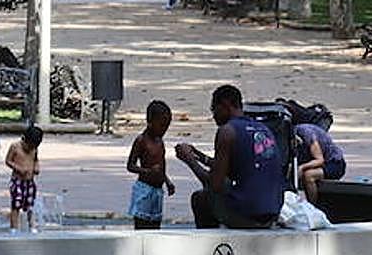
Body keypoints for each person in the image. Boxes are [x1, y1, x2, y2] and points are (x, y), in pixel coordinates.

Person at [175, 84, 284, 229]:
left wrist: (189, 160)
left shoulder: (227, 131)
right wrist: (200, 157)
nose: (213, 115)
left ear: (225, 105)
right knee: (227, 183)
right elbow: (239, 165)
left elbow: (215, 185)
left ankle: (210, 245)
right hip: (273, 212)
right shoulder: (264, 129)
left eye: (214, 109)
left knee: (201, 198)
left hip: (248, 215)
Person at [126, 100, 177, 229]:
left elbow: (161, 165)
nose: (164, 130)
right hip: (144, 189)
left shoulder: (160, 141)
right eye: (161, 126)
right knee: (142, 225)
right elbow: (130, 165)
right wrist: (147, 171)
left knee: (155, 225)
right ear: (150, 122)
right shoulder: (141, 141)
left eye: (167, 126)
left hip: (157, 190)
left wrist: (167, 181)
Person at [295, 122, 345, 204]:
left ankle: (313, 205)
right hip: (315, 164)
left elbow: (319, 160)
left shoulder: (306, 133)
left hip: (334, 163)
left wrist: (302, 167)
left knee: (308, 175)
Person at [5, 125, 43, 231]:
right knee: (16, 205)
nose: (30, 148)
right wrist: (18, 168)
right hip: (17, 181)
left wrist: (36, 167)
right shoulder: (15, 146)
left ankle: (32, 226)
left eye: (33, 146)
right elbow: (8, 161)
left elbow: (35, 160)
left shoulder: (34, 149)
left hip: (30, 181)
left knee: (30, 204)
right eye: (29, 146)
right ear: (24, 139)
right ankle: (14, 228)